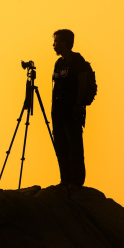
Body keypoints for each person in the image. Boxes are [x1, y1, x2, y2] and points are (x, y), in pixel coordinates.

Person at [51, 29, 88, 189]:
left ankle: (76, 181)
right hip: (58, 112)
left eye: (56, 41)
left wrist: (79, 104)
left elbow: (84, 82)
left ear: (64, 43)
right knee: (60, 146)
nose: (53, 45)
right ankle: (65, 180)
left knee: (74, 147)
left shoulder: (76, 60)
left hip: (72, 111)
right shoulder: (59, 63)